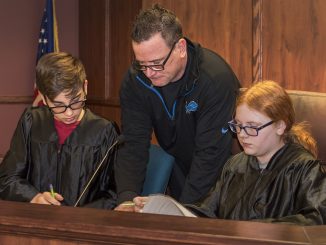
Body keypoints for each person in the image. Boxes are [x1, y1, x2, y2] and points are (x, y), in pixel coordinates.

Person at [131, 81, 326, 225]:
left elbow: (317, 220)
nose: (242, 135)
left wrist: (261, 229)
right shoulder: (235, 165)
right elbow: (208, 211)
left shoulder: (305, 168)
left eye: (252, 127)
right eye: (238, 126)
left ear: (280, 126)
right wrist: (166, 209)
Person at [115, 4, 240, 209]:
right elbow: (133, 143)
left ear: (180, 48)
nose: (149, 73)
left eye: (157, 63)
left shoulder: (215, 80)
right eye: (142, 64)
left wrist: (183, 212)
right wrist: (126, 199)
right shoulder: (136, 80)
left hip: (222, 180)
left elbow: (210, 157)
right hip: (180, 170)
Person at [0, 52, 118, 209]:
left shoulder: (104, 131)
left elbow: (113, 195)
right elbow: (7, 177)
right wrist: (34, 197)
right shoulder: (32, 122)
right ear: (43, 97)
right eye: (58, 105)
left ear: (85, 87)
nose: (69, 113)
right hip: (36, 220)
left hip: (83, 226)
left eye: (76, 101)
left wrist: (79, 216)